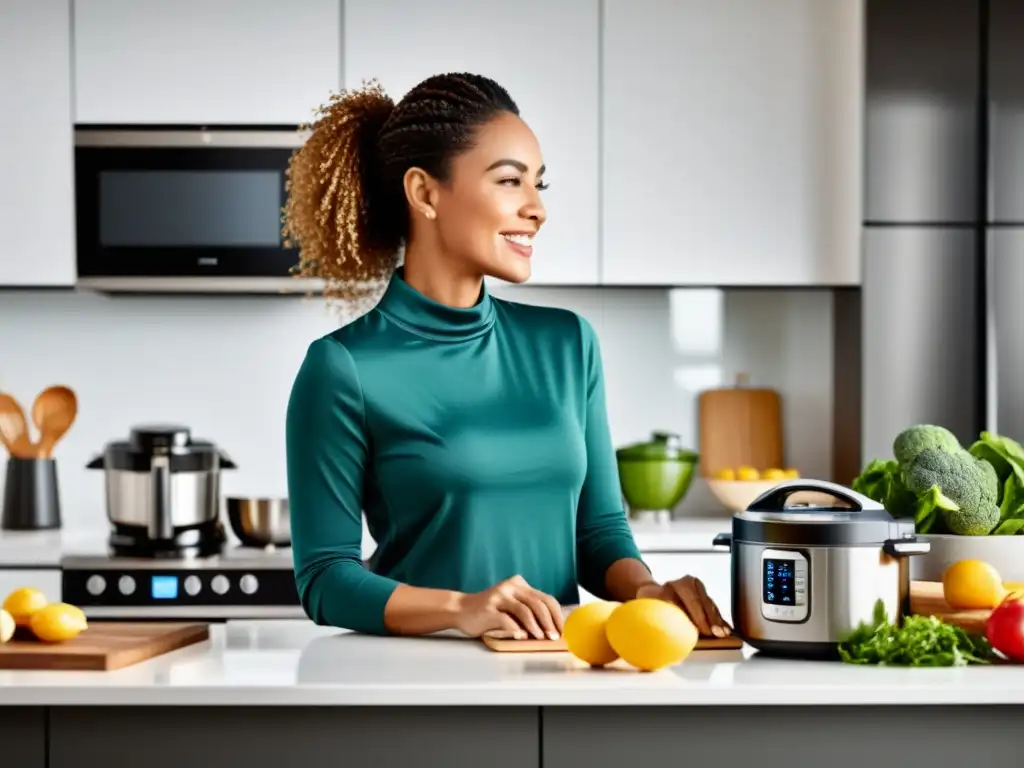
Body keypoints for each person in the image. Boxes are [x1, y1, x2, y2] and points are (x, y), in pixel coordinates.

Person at [283, 72, 730, 642]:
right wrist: (461, 609)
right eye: (510, 181)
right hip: (418, 679)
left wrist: (645, 590)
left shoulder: (568, 344)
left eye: (539, 184)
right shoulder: (344, 367)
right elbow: (325, 580)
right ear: (424, 193)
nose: (537, 209)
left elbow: (597, 532)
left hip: (559, 674)